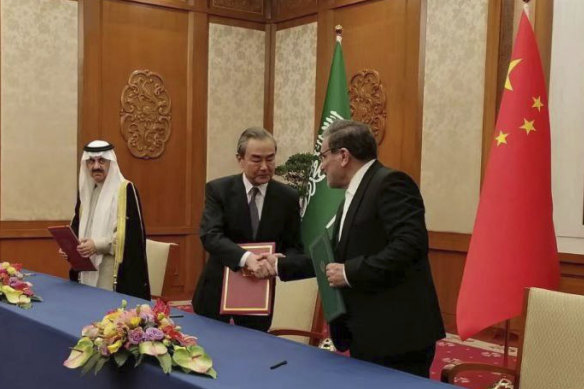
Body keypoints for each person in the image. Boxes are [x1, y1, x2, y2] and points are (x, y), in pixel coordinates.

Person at [277, 120, 445, 377]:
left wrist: (349, 273)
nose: (321, 167)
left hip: (398, 336)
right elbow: (333, 258)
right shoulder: (354, 193)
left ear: (343, 155)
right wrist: (278, 264)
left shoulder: (391, 183)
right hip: (368, 332)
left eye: (323, 156)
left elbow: (410, 245)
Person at [192, 127, 304, 332]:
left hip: (260, 293)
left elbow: (295, 246)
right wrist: (246, 258)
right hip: (216, 291)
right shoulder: (219, 190)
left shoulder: (287, 197)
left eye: (270, 159)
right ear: (240, 159)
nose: (264, 166)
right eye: (256, 159)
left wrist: (281, 260)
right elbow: (210, 236)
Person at [63, 140, 150, 300]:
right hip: (85, 270)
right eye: (91, 161)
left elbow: (132, 238)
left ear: (111, 162)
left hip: (112, 274)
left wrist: (97, 245)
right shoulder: (87, 192)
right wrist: (69, 247)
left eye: (101, 161)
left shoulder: (125, 190)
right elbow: (77, 227)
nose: (96, 166)